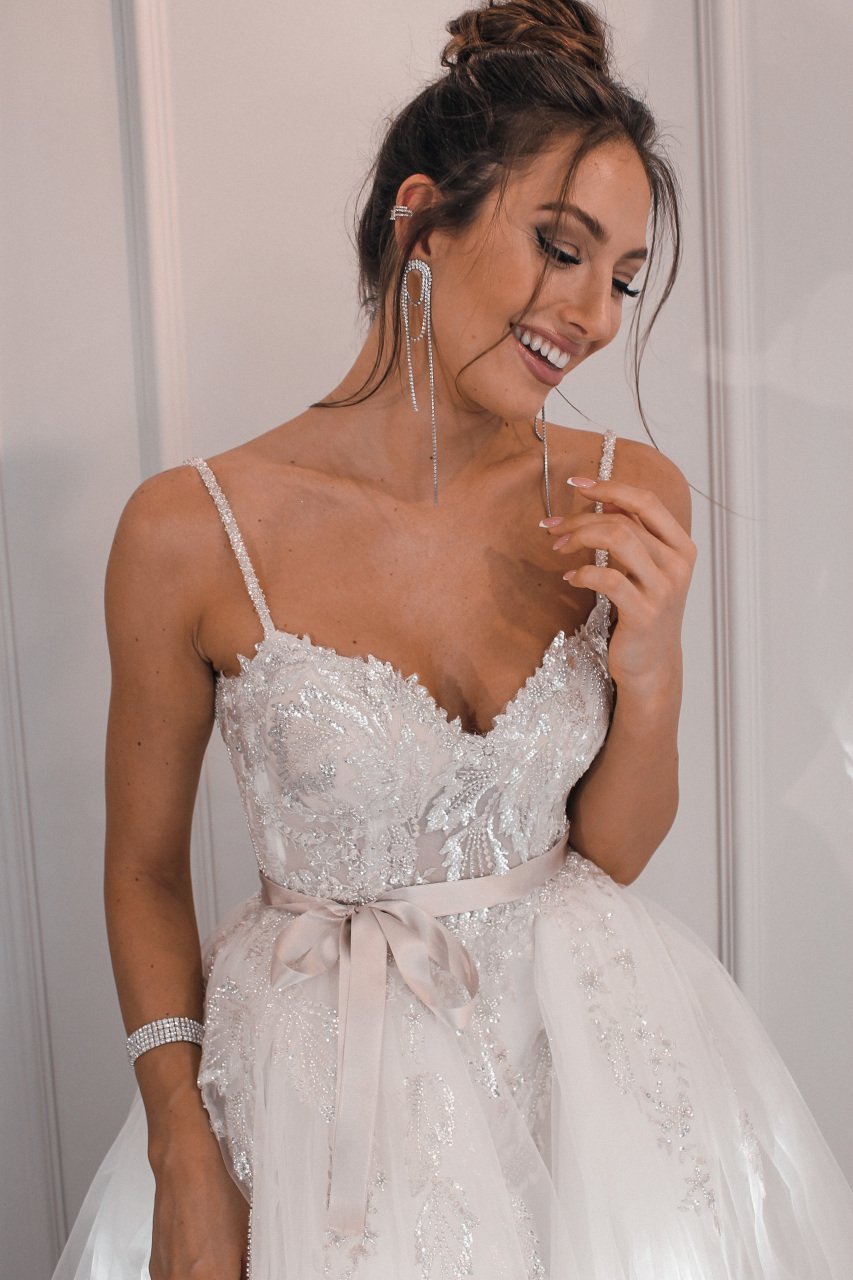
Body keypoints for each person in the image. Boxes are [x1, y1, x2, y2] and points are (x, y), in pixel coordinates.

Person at [53, 1, 853, 1277]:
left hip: (586, 1074)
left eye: (620, 277)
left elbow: (612, 850)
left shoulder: (623, 492)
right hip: (316, 1102)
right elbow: (143, 871)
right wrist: (181, 1149)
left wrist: (650, 665)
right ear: (420, 218)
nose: (592, 314)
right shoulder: (189, 532)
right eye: (560, 248)